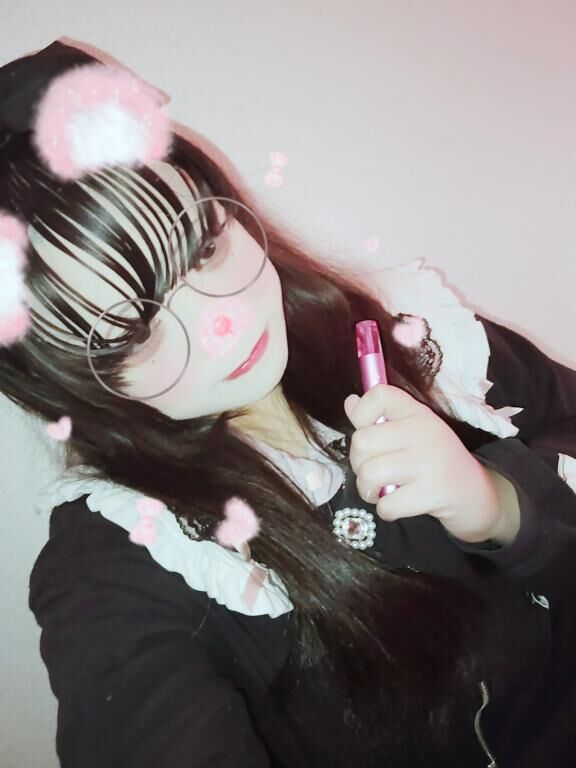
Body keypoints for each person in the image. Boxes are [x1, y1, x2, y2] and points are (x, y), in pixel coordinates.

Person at [1, 39, 575, 768]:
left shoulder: (410, 331)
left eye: (202, 249)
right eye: (133, 331)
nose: (222, 322)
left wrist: (503, 507)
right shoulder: (124, 558)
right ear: (71, 381)